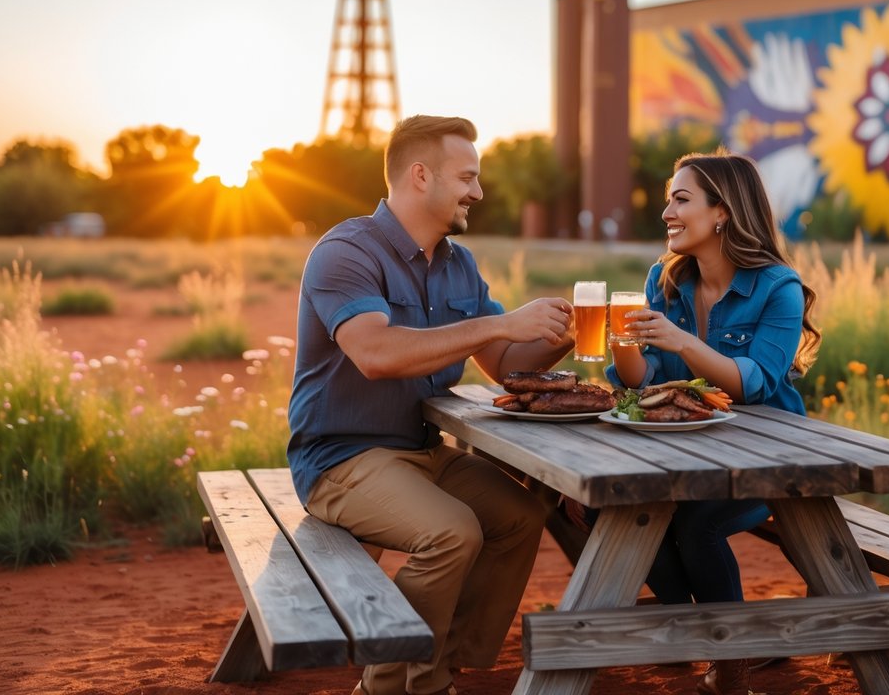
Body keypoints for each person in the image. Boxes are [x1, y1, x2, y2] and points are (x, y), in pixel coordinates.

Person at [286, 114, 575, 695]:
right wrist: (499, 321)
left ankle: (440, 667)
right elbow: (374, 353)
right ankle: (389, 685)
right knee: (452, 533)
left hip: (423, 450)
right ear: (421, 176)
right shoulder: (345, 251)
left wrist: (563, 332)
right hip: (342, 458)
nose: (479, 191)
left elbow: (504, 364)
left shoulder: (457, 263)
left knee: (519, 518)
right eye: (467, 176)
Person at [605, 150, 821, 695]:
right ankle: (707, 634)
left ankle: (730, 670)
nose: (666, 213)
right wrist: (622, 343)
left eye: (681, 200)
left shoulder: (779, 288)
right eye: (667, 201)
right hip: (691, 452)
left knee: (694, 525)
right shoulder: (666, 278)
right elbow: (641, 379)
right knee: (616, 508)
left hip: (773, 459)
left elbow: (753, 383)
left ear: (722, 211)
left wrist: (681, 340)